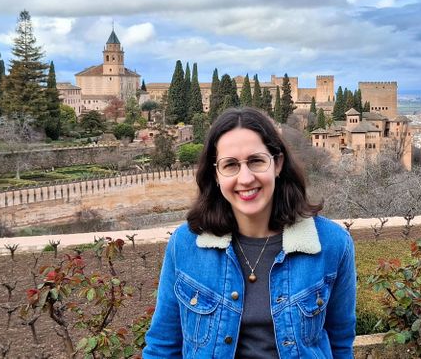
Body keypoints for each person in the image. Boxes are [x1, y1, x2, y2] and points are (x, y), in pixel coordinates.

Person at [144, 107, 356, 358]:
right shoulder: (186, 245)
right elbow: (162, 348)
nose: (245, 178)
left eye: (256, 161)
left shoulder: (331, 244)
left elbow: (341, 344)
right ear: (216, 174)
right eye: (230, 165)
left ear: (277, 163)